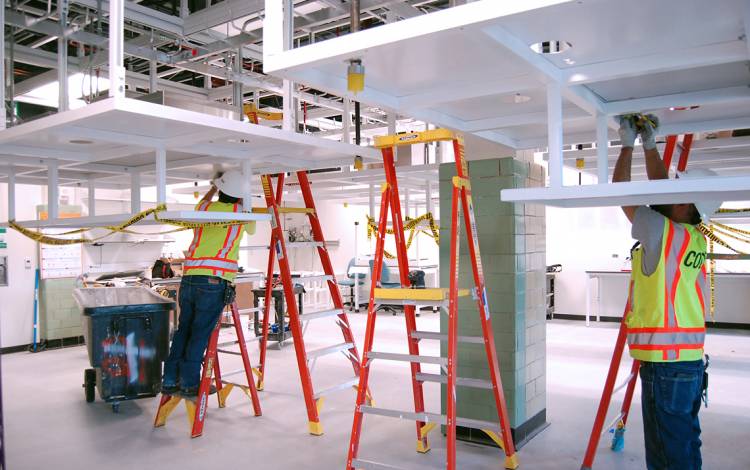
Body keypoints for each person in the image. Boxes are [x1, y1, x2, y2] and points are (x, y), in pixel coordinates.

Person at [612, 115, 719, 470]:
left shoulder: (664, 232)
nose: (669, 190)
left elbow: (619, 193)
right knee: (683, 441)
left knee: (667, 450)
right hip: (687, 362)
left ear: (689, 205)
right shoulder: (692, 236)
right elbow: (664, 193)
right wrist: (650, 145)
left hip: (667, 367)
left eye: (678, 191)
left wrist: (626, 144)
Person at [162, 170, 255, 397]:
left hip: (189, 278)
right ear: (240, 196)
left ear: (221, 192)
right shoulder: (241, 212)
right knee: (199, 333)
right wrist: (245, 196)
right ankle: (190, 383)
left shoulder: (204, 209)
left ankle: (170, 380)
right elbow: (251, 228)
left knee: (184, 330)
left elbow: (204, 200)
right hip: (213, 282)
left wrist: (214, 185)